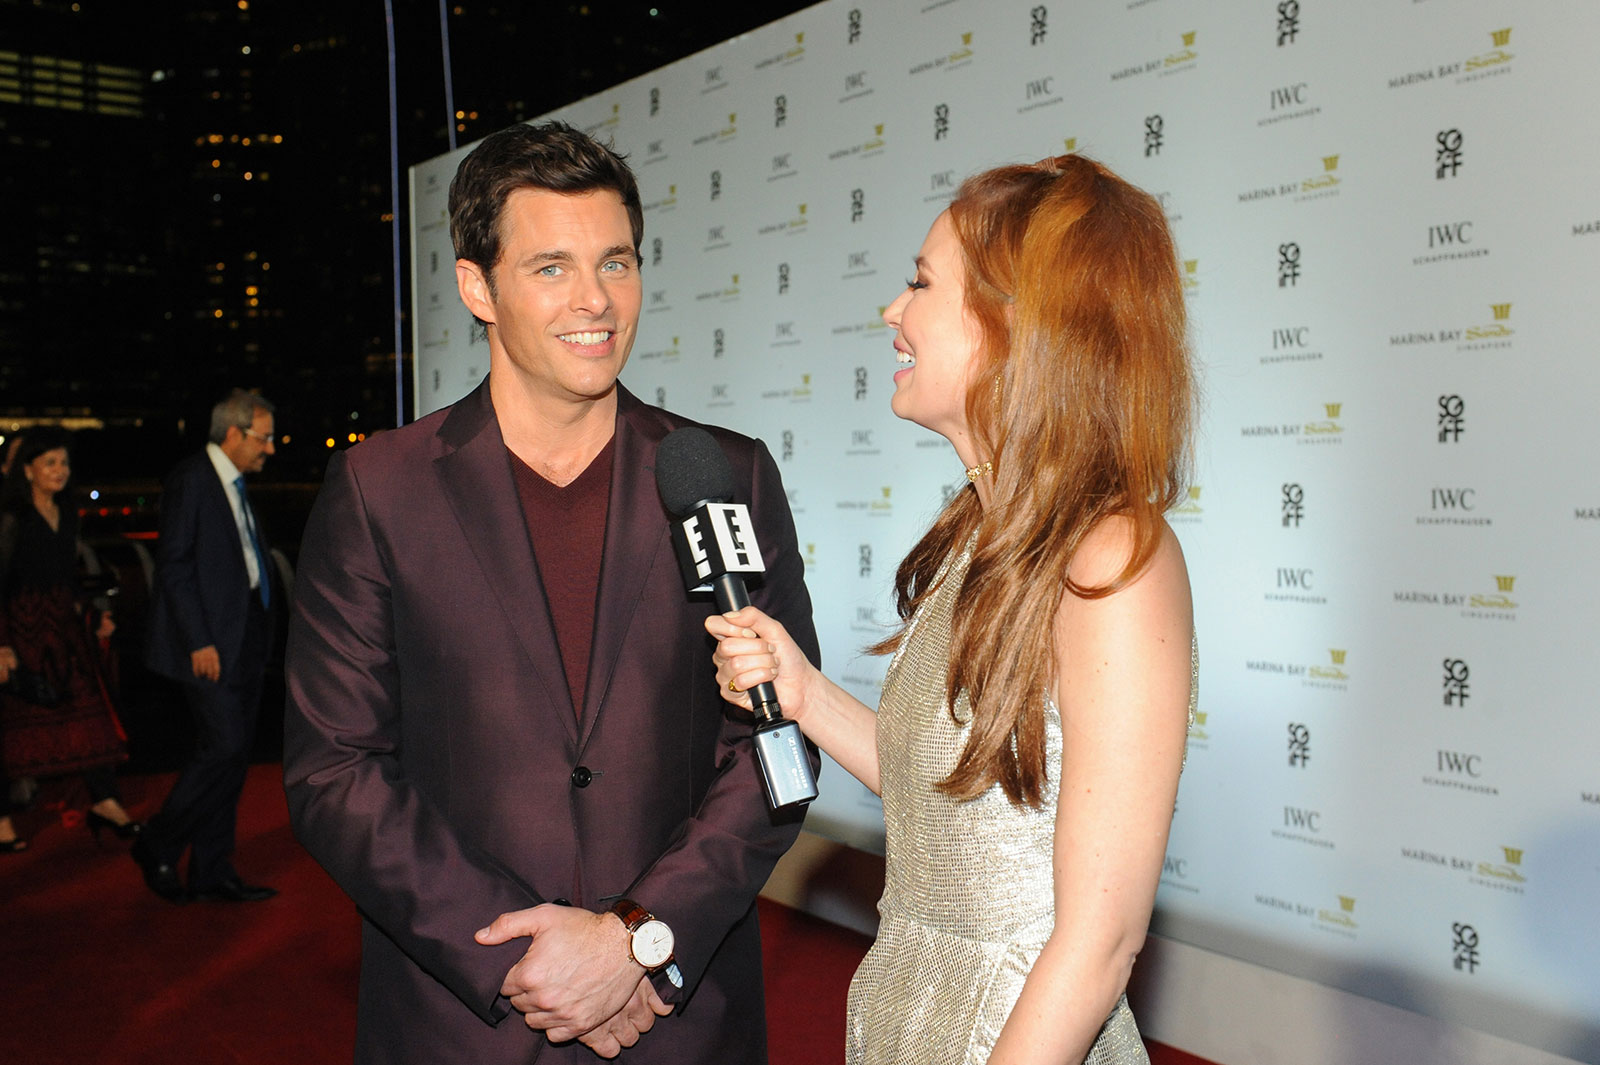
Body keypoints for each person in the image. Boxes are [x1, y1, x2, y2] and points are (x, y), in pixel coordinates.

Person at [282, 120, 818, 1064]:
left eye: (617, 262)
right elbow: (337, 768)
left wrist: (638, 940)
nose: (595, 300)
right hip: (463, 1014)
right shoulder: (380, 490)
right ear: (475, 287)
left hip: (679, 1016)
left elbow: (777, 745)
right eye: (550, 268)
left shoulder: (722, 474)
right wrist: (527, 955)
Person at [709, 154, 1198, 1065]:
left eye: (921, 283)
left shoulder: (1114, 557)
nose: (893, 311)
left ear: (1016, 323)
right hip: (911, 1009)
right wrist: (805, 692)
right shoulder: (983, 535)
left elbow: (1098, 947)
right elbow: (959, 818)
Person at [134, 389, 279, 902]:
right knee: (223, 747)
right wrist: (199, 641)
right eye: (263, 438)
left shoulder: (234, 484)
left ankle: (212, 871)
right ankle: (157, 840)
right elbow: (173, 567)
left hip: (244, 641)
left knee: (233, 757)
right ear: (234, 433)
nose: (271, 449)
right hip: (209, 648)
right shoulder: (191, 480)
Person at [0, 427, 140, 852]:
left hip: (63, 630)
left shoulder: (68, 514)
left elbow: (68, 580)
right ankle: (2, 820)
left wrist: (95, 615)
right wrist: (1, 645)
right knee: (10, 730)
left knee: (89, 713)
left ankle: (106, 801)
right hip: (20, 632)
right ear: (28, 470)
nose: (59, 471)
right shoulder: (11, 518)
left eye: (63, 463)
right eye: (49, 463)